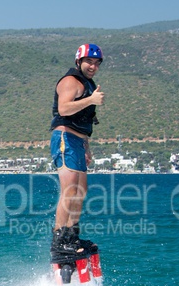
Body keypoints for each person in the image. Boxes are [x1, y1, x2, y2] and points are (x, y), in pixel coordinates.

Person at [50, 43, 104, 262]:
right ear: (79, 61)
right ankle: (59, 241)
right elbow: (64, 109)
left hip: (78, 142)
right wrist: (91, 100)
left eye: (97, 63)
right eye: (89, 61)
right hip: (65, 139)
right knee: (70, 190)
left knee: (80, 191)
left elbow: (85, 120)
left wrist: (87, 147)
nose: (93, 66)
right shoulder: (70, 81)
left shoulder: (88, 85)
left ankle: (71, 236)